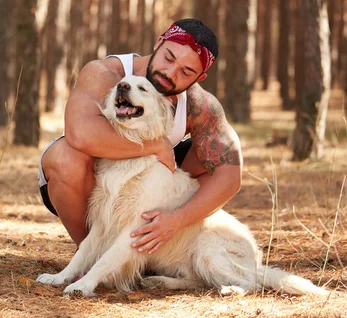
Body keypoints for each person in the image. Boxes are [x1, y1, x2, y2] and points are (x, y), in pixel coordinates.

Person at [37, 18, 242, 255]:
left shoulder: (200, 106)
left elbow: (230, 176)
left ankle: (150, 251)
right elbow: (79, 134)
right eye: (169, 57)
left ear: (199, 78)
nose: (170, 72)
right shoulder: (106, 73)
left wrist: (178, 219)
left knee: (209, 160)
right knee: (67, 159)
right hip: (86, 185)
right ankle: (91, 256)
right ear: (158, 43)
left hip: (142, 191)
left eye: (186, 72)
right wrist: (154, 145)